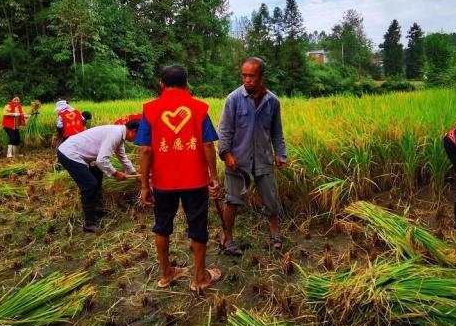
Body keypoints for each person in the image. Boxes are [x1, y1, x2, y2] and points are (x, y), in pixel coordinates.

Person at [136, 65, 222, 291]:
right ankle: (199, 278)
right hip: (195, 180)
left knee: (162, 226)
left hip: (163, 181)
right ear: (186, 84)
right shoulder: (199, 109)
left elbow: (145, 150)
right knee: (198, 226)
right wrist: (213, 176)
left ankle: (165, 275)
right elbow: (207, 144)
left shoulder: (150, 109)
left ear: (161, 84)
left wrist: (145, 185)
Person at [218, 57, 287, 255]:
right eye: (244, 75)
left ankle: (274, 232)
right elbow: (224, 131)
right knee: (233, 200)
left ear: (262, 76)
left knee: (270, 198)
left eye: (251, 76)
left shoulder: (272, 101)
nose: (247, 80)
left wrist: (280, 154)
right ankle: (228, 237)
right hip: (237, 160)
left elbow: (276, 132)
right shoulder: (233, 99)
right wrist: (226, 153)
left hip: (263, 157)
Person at [57, 120, 140, 233]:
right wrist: (115, 173)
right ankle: (89, 224)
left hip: (79, 154)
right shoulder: (116, 134)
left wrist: (135, 175)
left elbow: (122, 157)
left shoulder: (120, 134)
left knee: (97, 175)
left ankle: (98, 209)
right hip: (70, 153)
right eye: (138, 136)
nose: (136, 140)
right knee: (89, 185)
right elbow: (101, 160)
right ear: (133, 131)